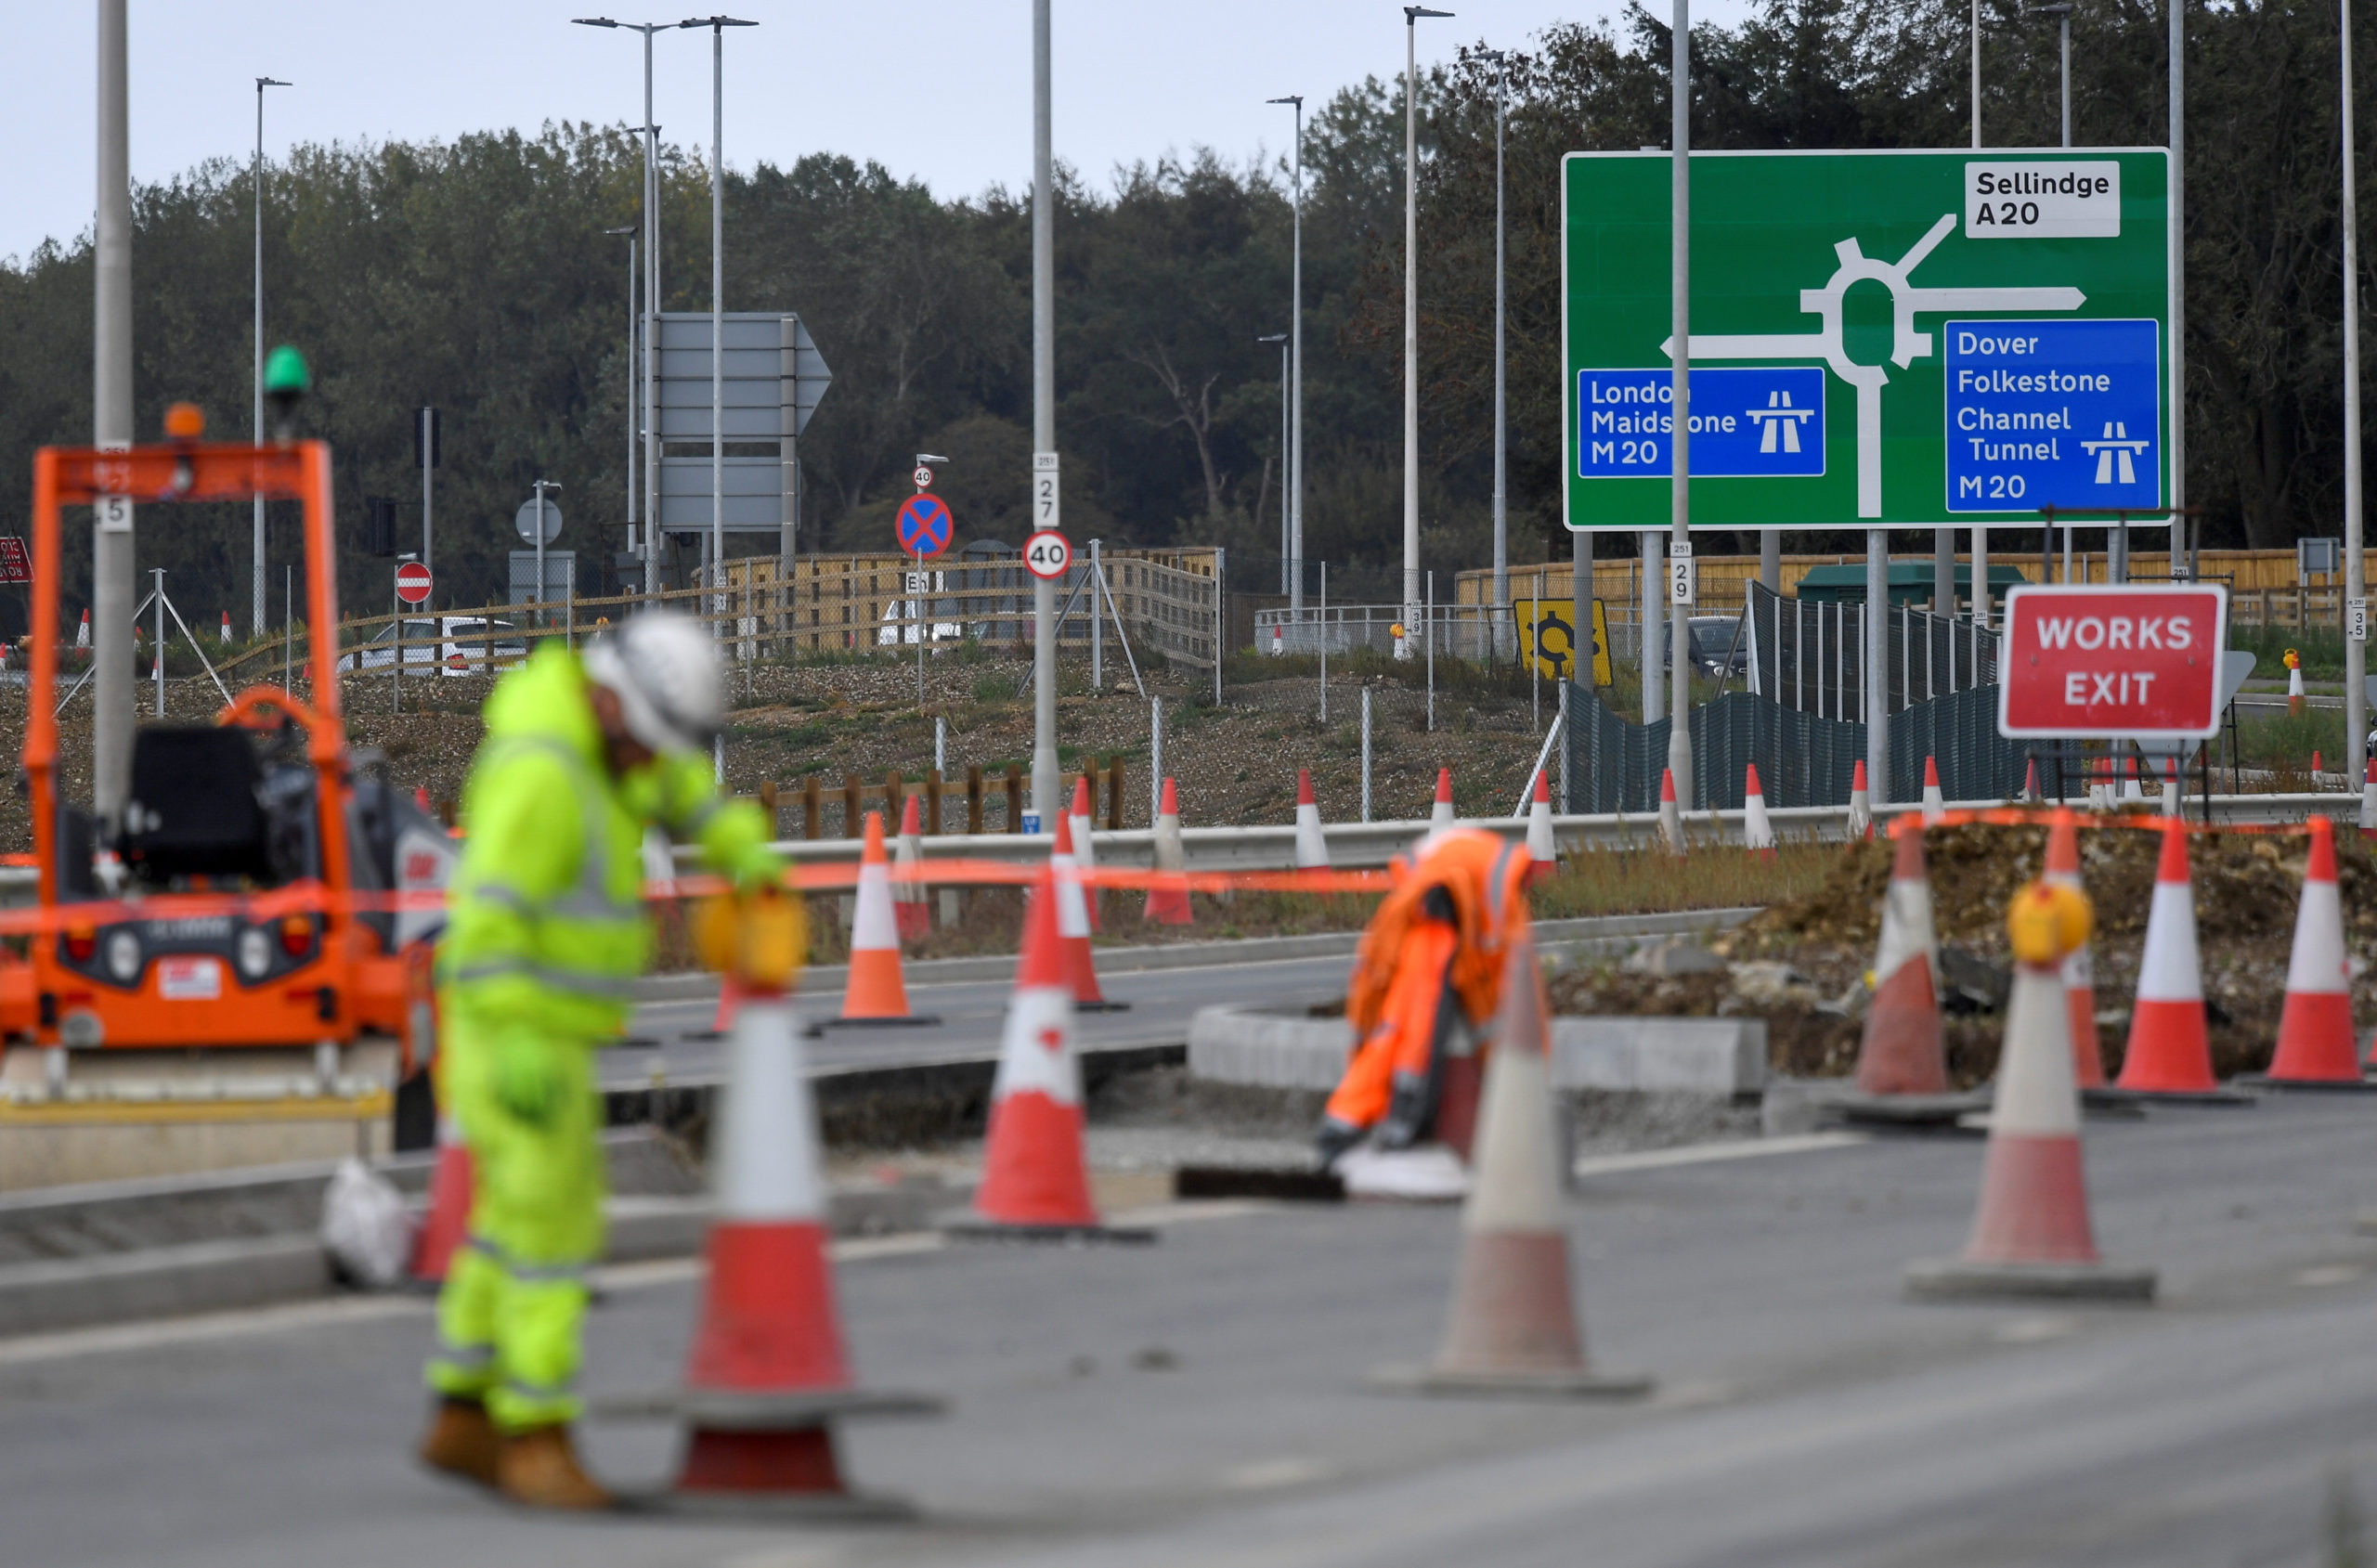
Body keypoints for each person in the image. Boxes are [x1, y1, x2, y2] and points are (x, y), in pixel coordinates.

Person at [415, 613, 784, 1510]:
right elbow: (488, 922)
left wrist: (741, 850)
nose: (649, 764)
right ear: (614, 703)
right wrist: (515, 1044)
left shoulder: (608, 750)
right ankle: (536, 1434)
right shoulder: (543, 775)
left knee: (508, 1227)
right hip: (513, 1035)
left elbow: (680, 789)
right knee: (553, 1233)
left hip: (547, 1030)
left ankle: (462, 1411)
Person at [1315, 826, 1534, 1170]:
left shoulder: (1475, 892)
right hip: (1435, 906)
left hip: (1430, 902)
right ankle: (1392, 1120)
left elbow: (1377, 991)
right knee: (1413, 1019)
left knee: (1402, 1022)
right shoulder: (1492, 893)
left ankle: (1362, 1123)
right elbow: (1500, 995)